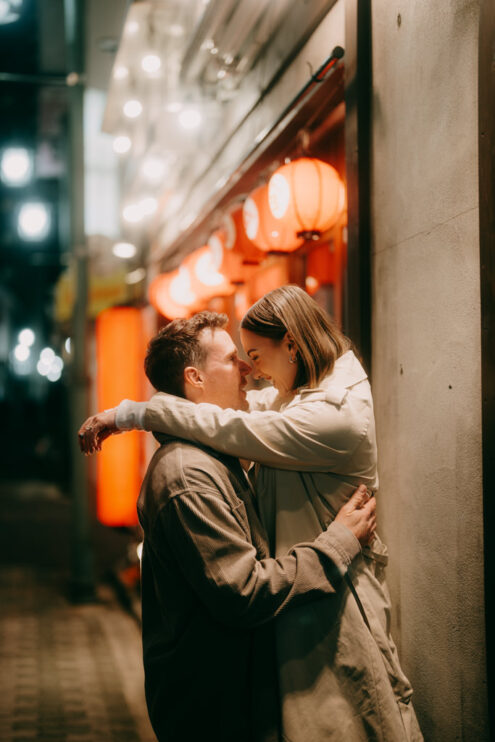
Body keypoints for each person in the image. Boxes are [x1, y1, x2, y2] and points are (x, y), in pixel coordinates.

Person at [79, 286, 423, 742]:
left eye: (255, 355)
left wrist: (130, 414)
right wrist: (132, 414)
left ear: (294, 348)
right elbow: (242, 591)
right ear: (195, 379)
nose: (249, 370)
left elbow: (238, 420)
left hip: (320, 617)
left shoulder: (328, 413)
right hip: (221, 688)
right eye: (236, 359)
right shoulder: (190, 474)